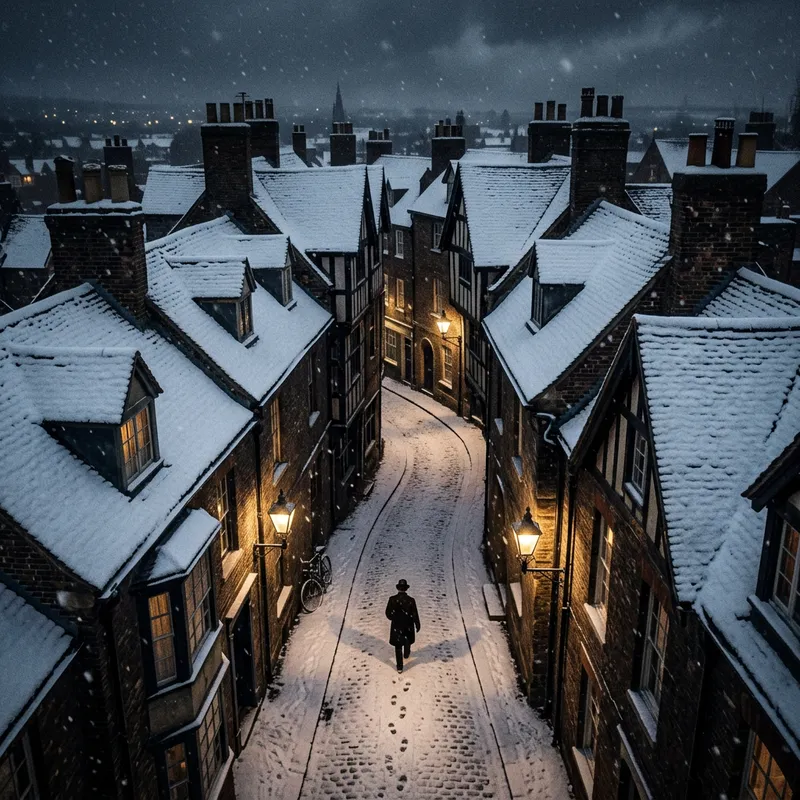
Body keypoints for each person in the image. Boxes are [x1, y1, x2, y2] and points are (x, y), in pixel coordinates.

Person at [385, 579, 421, 672]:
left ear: (398, 589)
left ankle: (399, 667)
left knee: (398, 646)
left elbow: (388, 613)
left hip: (397, 626)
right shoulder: (411, 600)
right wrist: (417, 624)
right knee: (407, 640)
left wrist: (394, 618)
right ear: (406, 589)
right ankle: (406, 653)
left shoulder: (392, 599)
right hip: (408, 625)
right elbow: (414, 614)